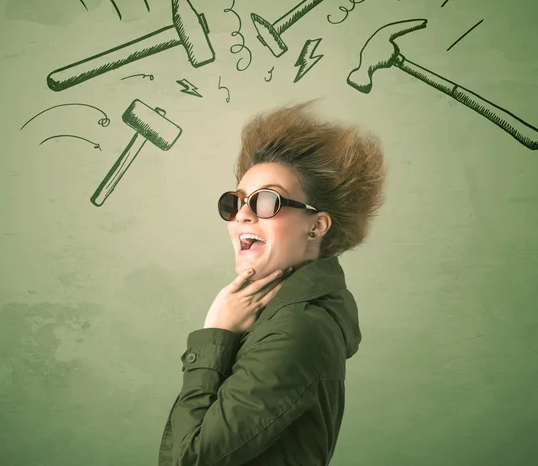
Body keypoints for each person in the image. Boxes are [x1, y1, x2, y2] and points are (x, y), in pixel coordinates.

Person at [158, 97, 386, 465]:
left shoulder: (296, 328)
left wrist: (216, 333)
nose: (242, 216)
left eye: (267, 202)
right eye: (235, 203)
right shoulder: (282, 315)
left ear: (317, 225)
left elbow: (188, 458)